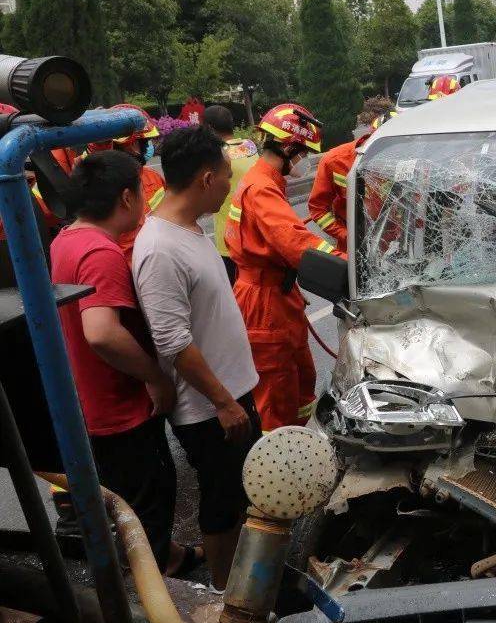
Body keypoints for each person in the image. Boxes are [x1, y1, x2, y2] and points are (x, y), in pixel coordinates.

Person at [50, 150, 202, 576]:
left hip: (92, 402)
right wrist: (155, 378)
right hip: (121, 410)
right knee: (149, 496)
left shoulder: (66, 239)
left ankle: (165, 555)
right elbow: (100, 331)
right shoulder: (101, 253)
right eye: (140, 190)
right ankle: (153, 588)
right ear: (126, 198)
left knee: (128, 499)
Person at [132, 125, 261, 593]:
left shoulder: (190, 231)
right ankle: (228, 597)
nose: (232, 184)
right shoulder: (159, 249)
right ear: (207, 179)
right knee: (222, 503)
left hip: (231, 396)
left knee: (242, 494)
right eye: (228, 176)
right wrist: (224, 402)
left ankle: (247, 582)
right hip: (211, 409)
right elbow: (172, 341)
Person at [225, 103, 345, 432]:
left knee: (300, 381)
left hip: (277, 293)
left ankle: (295, 446)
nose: (305, 159)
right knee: (275, 398)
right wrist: (349, 265)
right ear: (288, 146)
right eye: (303, 151)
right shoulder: (262, 188)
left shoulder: (265, 181)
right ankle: (276, 470)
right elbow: (296, 243)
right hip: (264, 303)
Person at [85, 104, 165, 264]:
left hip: (157, 259)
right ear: (132, 144)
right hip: (126, 265)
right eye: (145, 142)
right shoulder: (102, 182)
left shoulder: (153, 176)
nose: (149, 147)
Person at [308, 111, 396, 248]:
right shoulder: (335, 161)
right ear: (370, 139)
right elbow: (318, 209)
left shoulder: (410, 163)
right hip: (352, 247)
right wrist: (347, 236)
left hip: (394, 245)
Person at [205, 105, 258, 285]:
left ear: (210, 128)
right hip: (256, 238)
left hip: (230, 242)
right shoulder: (250, 147)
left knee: (238, 299)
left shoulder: (215, 157)